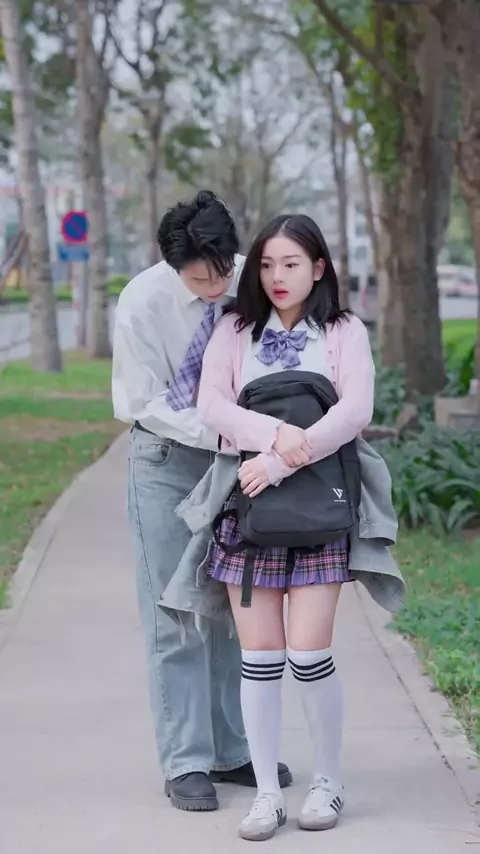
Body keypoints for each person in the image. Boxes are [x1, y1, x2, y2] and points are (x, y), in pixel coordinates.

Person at [111, 190, 292, 813]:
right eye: (199, 280)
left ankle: (233, 748)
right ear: (173, 265)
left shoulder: (253, 280)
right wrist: (225, 431)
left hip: (241, 460)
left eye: (222, 275)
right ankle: (186, 759)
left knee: (234, 605)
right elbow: (143, 401)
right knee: (174, 612)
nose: (215, 289)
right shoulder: (143, 301)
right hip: (167, 459)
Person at [196, 213, 375, 840]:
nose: (277, 276)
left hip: (319, 506)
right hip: (249, 512)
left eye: (291, 264)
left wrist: (279, 461)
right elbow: (211, 405)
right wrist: (273, 434)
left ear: (318, 267)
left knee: (308, 654)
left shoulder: (344, 330)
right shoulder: (234, 329)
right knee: (261, 658)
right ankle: (268, 794)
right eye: (267, 264)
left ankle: (327, 781)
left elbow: (355, 410)